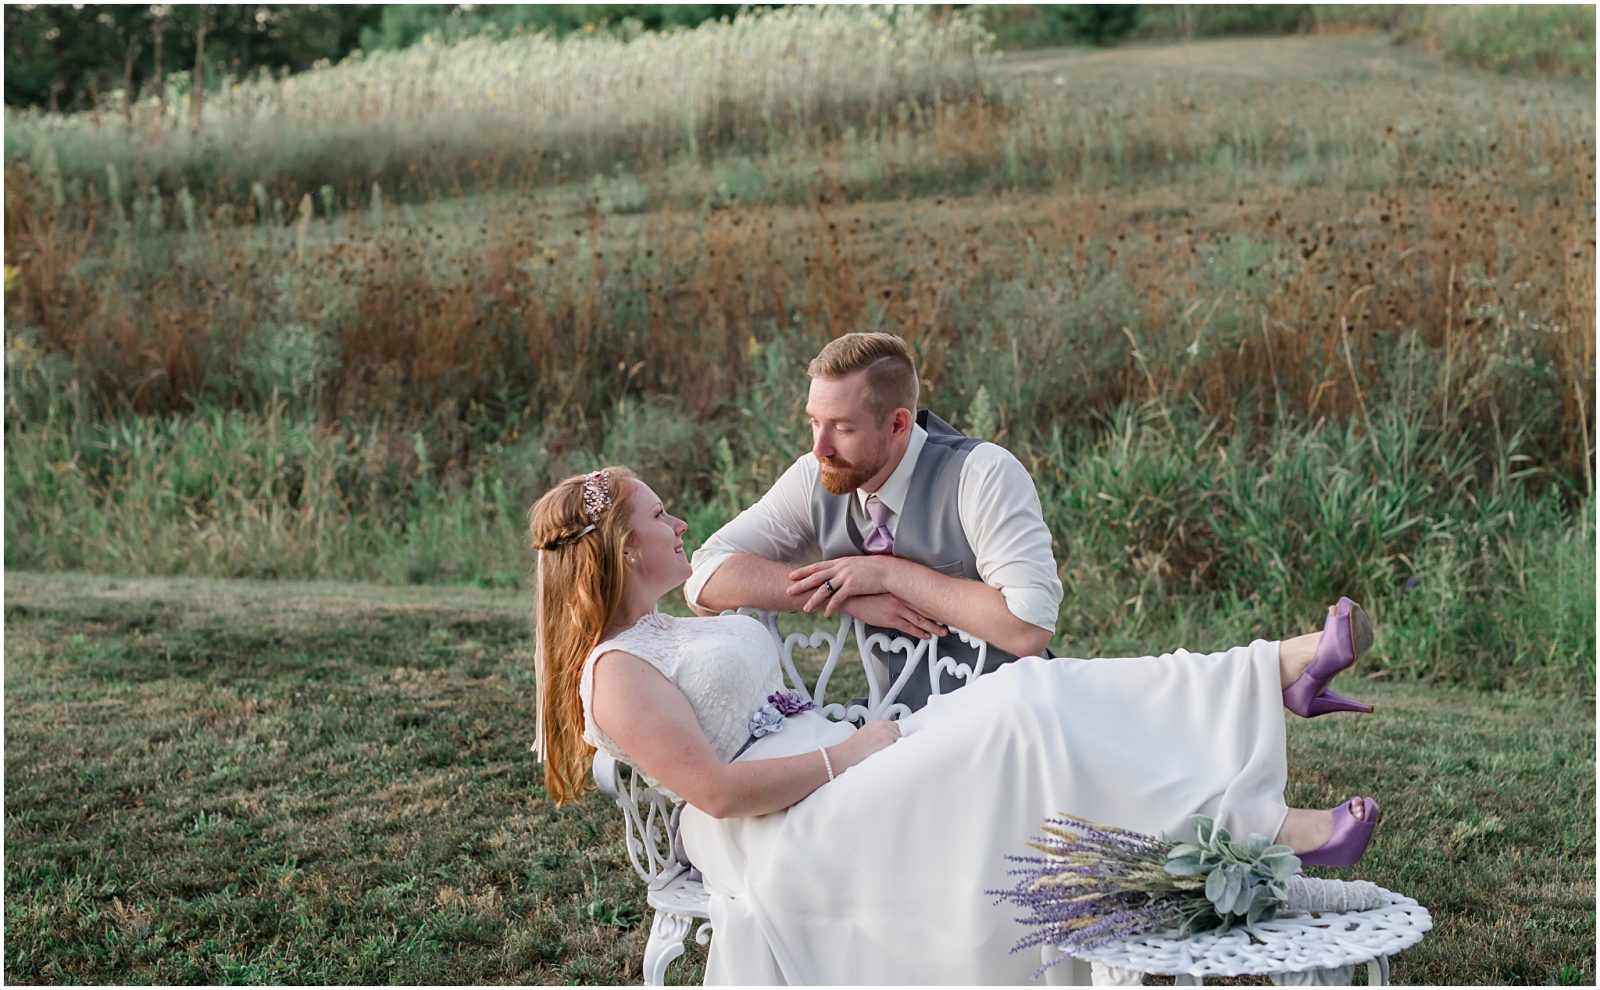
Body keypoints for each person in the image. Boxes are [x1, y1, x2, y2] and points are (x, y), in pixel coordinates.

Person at [531, 468, 1382, 986]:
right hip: (793, 823)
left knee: (1039, 692)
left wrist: (862, 589)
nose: (679, 525)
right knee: (1022, 711)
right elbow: (714, 794)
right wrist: (848, 752)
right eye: (659, 516)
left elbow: (718, 578)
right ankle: (1261, 807)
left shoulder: (671, 625)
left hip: (839, 763)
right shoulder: (615, 675)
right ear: (621, 548)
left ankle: (1267, 673)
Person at [687, 332, 1063, 712]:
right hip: (890, 726)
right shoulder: (812, 475)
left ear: (898, 424)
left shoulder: (982, 474)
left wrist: (886, 574)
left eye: (843, 428)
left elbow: (1028, 627)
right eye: (815, 422)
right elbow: (703, 578)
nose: (820, 447)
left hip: (1008, 717)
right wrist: (838, 593)